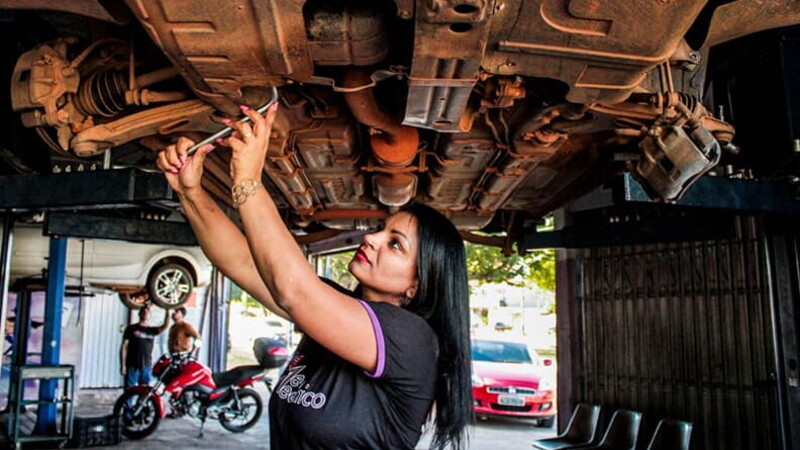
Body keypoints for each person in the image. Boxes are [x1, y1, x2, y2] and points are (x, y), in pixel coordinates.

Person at [156, 101, 472, 449]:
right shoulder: (332, 307)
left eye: (395, 245)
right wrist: (190, 192)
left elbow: (294, 291)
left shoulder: (412, 339)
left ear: (417, 285)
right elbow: (243, 262)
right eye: (382, 230)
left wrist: (248, 180)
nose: (371, 238)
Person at [120, 304, 170, 388]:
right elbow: (124, 347)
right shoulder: (131, 329)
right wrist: (123, 365)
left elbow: (164, 326)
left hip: (146, 366)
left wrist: (167, 311)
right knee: (129, 392)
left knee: (144, 393)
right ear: (139, 314)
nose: (145, 313)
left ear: (150, 315)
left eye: (147, 311)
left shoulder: (152, 330)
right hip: (132, 365)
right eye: (143, 311)